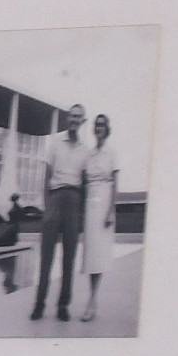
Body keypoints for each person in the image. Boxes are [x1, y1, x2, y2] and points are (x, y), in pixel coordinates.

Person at [30, 105, 88, 322]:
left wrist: (81, 213)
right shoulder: (54, 143)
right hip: (55, 198)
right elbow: (45, 177)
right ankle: (39, 304)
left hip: (74, 200)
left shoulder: (86, 150)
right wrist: (46, 207)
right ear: (67, 118)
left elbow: (85, 183)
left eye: (78, 117)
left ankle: (63, 305)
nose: (74, 120)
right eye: (72, 116)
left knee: (69, 257)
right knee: (46, 256)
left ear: (83, 121)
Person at [80, 111, 123, 322]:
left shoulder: (112, 152)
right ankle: (93, 301)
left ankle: (92, 302)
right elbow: (83, 180)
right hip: (90, 203)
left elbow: (115, 184)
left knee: (100, 255)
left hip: (105, 202)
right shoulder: (89, 154)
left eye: (102, 125)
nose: (98, 128)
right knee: (91, 256)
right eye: (96, 125)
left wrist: (110, 210)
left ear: (107, 129)